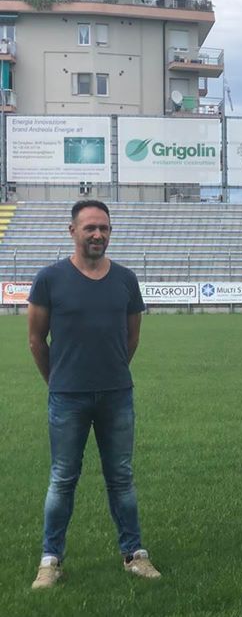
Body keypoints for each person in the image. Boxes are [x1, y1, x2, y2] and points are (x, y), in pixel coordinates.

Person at [27, 200, 160, 589]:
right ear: (73, 231)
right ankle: (50, 561)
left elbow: (131, 337)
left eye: (104, 228)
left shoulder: (125, 279)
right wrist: (58, 381)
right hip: (67, 396)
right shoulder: (49, 279)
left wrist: (113, 371)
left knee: (121, 477)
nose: (98, 234)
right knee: (63, 478)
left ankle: (134, 554)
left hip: (117, 394)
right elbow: (36, 339)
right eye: (90, 228)